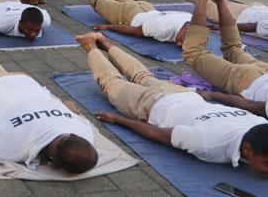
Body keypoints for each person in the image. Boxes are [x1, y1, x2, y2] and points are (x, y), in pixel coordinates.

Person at [79, 32, 268, 173]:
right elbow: (156, 133)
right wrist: (118, 120)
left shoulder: (261, 125)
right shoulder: (206, 143)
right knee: (112, 84)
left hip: (186, 95)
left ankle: (106, 43)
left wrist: (212, 96)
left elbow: (248, 107)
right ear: (247, 150)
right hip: (152, 104)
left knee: (142, 75)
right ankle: (91, 46)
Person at [181, 0, 268, 117]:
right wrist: (213, 96)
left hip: (263, 70)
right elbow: (256, 107)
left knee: (233, 49)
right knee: (194, 54)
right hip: (250, 80)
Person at [172, 0, 268, 37]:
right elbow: (253, 26)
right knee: (209, 8)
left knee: (222, 2)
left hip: (256, 8)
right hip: (243, 16)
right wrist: (222, 26)